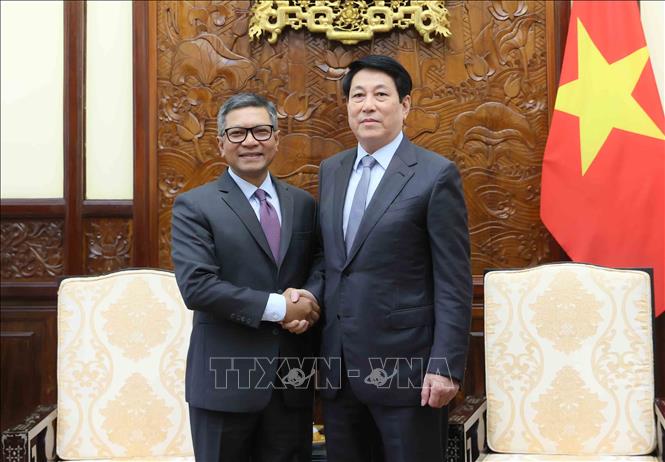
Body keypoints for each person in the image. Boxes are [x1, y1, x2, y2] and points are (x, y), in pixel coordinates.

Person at [301, 55, 472, 462]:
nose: (368, 106)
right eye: (358, 96)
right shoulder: (332, 170)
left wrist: (445, 365)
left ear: (405, 105)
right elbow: (331, 259)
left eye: (381, 95)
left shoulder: (435, 174)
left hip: (409, 372)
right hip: (340, 369)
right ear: (347, 106)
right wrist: (306, 296)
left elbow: (453, 279)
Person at [171, 92, 324, 462]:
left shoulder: (303, 203)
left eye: (261, 131)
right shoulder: (195, 206)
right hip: (224, 383)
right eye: (237, 133)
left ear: (276, 139)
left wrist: (309, 301)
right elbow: (197, 287)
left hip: (291, 382)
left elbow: (321, 263)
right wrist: (281, 309)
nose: (250, 141)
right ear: (221, 143)